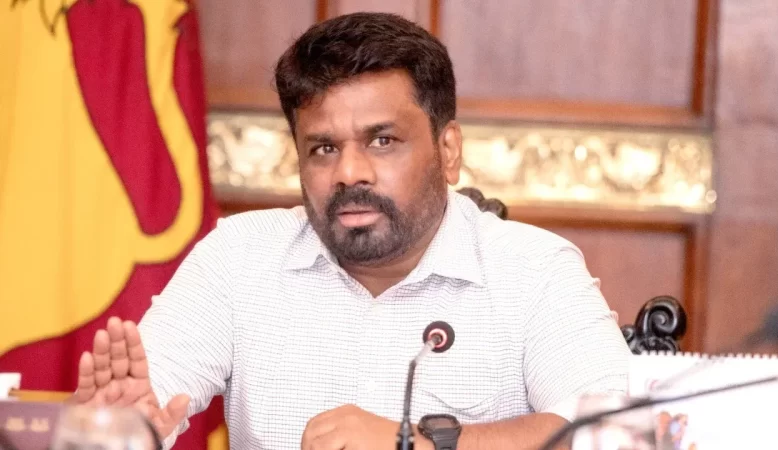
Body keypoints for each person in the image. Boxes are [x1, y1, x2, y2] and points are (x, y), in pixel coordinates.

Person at [70, 12, 630, 450]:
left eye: (382, 141)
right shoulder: (238, 258)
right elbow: (142, 403)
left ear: (448, 150)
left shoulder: (535, 270)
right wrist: (116, 427)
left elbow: (620, 433)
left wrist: (418, 443)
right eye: (323, 148)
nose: (349, 172)